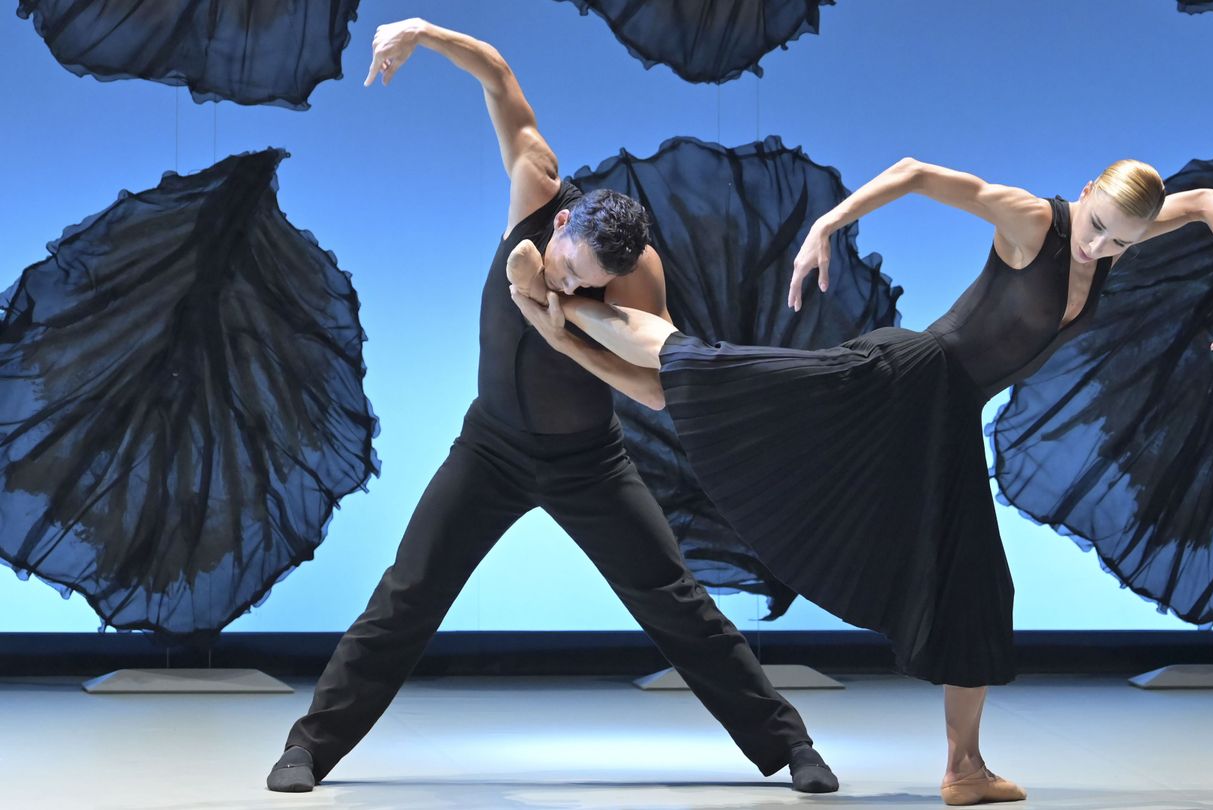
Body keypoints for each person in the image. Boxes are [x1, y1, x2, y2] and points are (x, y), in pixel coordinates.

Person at [508, 156, 1213, 805]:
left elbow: (1206, 203)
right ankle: (563, 302)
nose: (1100, 246)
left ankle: (964, 769)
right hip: (904, 377)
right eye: (1097, 224)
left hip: (945, 419)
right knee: (719, 371)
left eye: (1121, 242)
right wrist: (826, 225)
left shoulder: (1127, 231)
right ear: (1088, 190)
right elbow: (918, 174)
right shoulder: (1034, 220)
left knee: (977, 589)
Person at [266, 18, 837, 795]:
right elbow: (498, 73)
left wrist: (568, 330)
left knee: (676, 604)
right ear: (561, 223)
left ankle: (791, 746)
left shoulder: (635, 278)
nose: (575, 286)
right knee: (408, 593)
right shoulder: (536, 182)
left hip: (587, 463)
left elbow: (656, 388)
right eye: (572, 271)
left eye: (592, 285)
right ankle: (309, 748)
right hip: (490, 449)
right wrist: (421, 32)